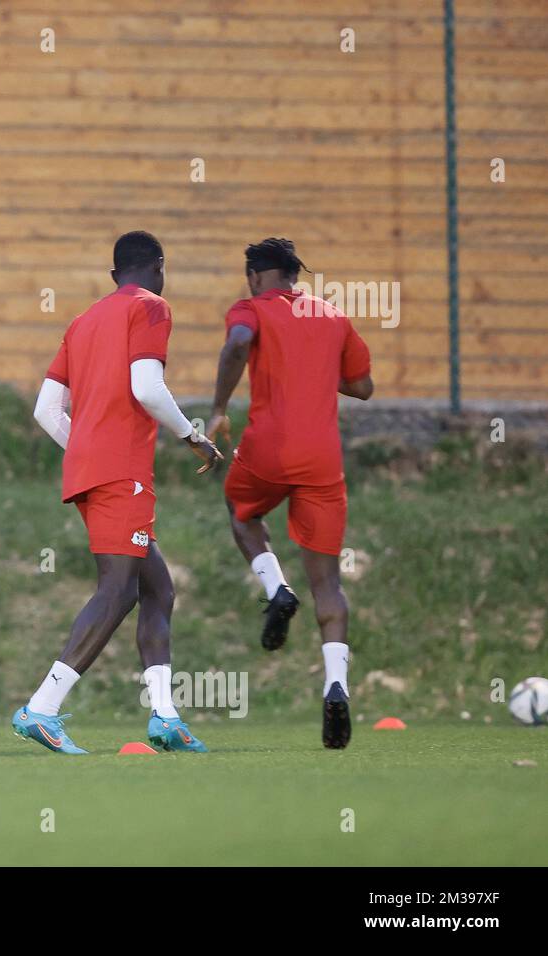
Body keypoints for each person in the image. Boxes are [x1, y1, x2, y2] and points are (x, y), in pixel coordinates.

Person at [13, 231, 222, 755]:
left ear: (113, 276)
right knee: (117, 589)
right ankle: (41, 708)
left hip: (89, 472)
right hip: (120, 473)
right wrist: (194, 438)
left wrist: (83, 447)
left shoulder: (83, 320)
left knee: (157, 590)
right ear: (159, 267)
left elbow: (45, 410)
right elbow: (147, 387)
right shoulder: (152, 308)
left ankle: (165, 717)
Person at [205, 238, 373, 749]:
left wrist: (218, 407)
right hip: (323, 460)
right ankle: (337, 685)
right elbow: (363, 386)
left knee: (240, 510)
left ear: (256, 277)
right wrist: (320, 376)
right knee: (329, 583)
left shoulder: (250, 309)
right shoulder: (334, 317)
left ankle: (276, 588)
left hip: (270, 450)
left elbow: (237, 344)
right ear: (294, 276)